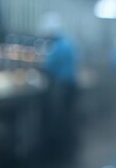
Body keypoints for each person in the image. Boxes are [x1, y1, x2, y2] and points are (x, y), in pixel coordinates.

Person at [40, 12, 79, 154]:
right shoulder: (69, 42)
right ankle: (70, 146)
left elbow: (47, 66)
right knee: (69, 117)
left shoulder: (58, 47)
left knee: (59, 118)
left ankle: (60, 150)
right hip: (72, 85)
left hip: (62, 87)